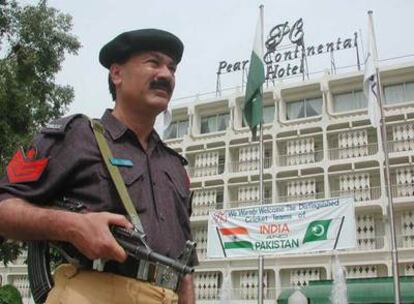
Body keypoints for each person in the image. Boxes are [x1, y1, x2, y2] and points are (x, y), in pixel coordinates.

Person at [0, 28, 197, 304]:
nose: (166, 75)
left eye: (172, 68)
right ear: (117, 74)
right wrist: (72, 226)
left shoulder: (175, 165)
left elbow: (185, 264)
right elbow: (4, 208)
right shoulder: (76, 137)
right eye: (153, 63)